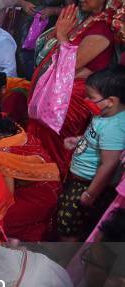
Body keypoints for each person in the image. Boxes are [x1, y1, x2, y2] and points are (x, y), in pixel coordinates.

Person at [27, 2, 117, 178]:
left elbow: (71, 65)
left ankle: (49, 189)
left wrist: (62, 36)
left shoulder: (102, 30)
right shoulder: (89, 21)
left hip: (68, 103)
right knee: (38, 141)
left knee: (53, 148)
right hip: (58, 95)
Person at [0, 97, 60, 241]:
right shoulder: (7, 126)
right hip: (48, 182)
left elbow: (6, 196)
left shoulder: (2, 153)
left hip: (40, 194)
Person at [55, 67, 125, 242]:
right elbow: (96, 139)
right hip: (81, 182)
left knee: (68, 226)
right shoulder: (104, 114)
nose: (86, 100)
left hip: (87, 187)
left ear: (110, 101)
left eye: (90, 97)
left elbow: (109, 164)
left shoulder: (114, 128)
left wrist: (91, 194)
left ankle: (67, 264)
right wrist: (79, 140)